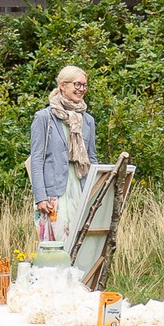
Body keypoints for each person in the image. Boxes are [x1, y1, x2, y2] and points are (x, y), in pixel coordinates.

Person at [30, 65, 97, 249]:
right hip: (54, 193)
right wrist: (40, 197)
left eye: (84, 85)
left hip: (80, 188)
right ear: (62, 86)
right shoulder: (44, 118)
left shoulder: (88, 120)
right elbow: (36, 159)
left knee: (80, 243)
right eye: (77, 84)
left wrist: (95, 192)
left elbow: (92, 159)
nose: (81, 89)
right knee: (54, 246)